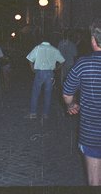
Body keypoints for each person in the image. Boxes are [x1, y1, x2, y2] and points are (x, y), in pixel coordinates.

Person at [63, 18, 101, 186]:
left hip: (92, 132)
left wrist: (71, 105)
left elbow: (67, 93)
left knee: (95, 180)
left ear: (93, 41)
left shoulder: (83, 64)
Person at [26, 34, 65, 119]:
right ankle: (45, 114)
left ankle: (33, 113)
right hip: (50, 73)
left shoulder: (38, 48)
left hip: (39, 72)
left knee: (36, 92)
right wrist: (56, 69)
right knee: (48, 93)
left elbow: (29, 58)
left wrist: (32, 68)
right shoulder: (54, 49)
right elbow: (62, 61)